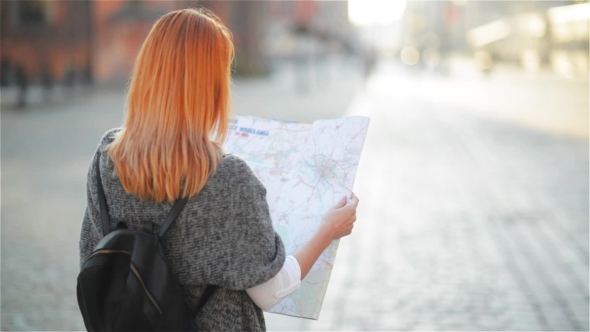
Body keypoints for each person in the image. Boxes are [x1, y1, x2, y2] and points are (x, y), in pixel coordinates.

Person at [78, 8, 359, 331]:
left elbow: (91, 257)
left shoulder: (105, 157)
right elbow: (271, 291)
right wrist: (328, 230)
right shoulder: (227, 178)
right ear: (211, 84)